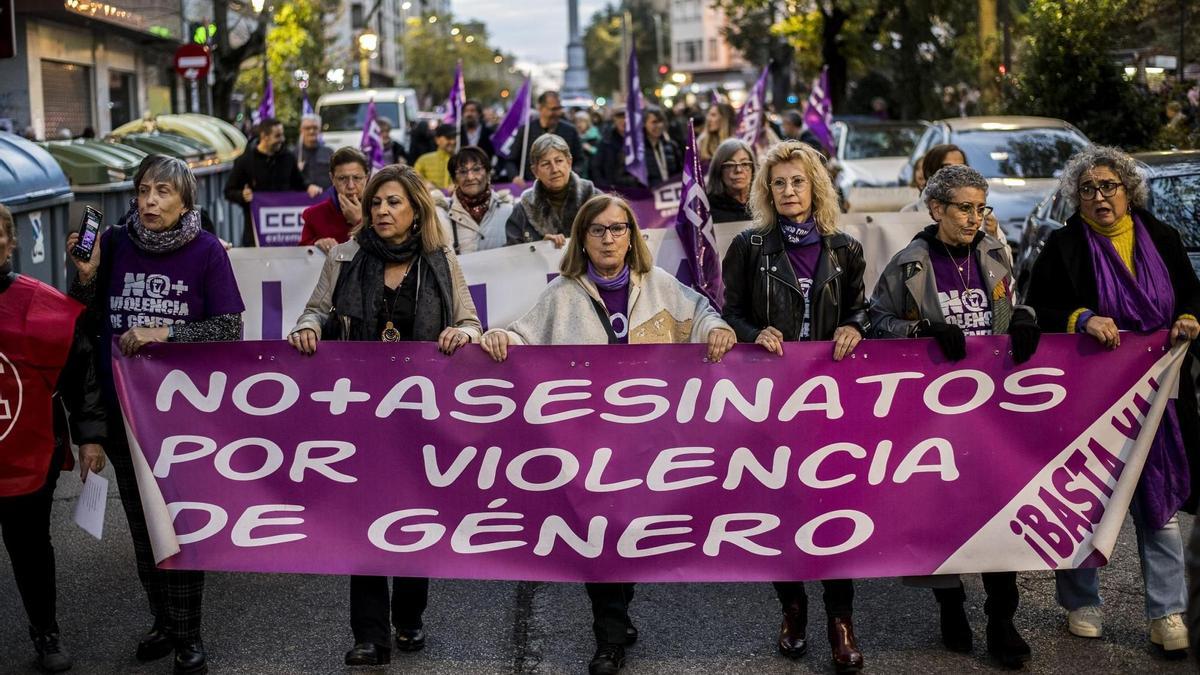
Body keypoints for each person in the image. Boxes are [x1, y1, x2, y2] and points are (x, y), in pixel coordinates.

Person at [479, 193, 736, 675]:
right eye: (597, 230)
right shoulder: (563, 293)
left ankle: (619, 609)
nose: (608, 238)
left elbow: (702, 315)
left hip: (646, 441)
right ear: (582, 238)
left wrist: (716, 328)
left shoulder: (659, 285)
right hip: (587, 444)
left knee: (629, 535)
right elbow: (525, 336)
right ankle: (609, 638)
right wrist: (499, 338)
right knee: (598, 537)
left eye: (618, 228)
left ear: (631, 236)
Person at [287, 164, 480, 667]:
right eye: (376, 203)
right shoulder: (347, 256)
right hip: (360, 417)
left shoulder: (441, 260)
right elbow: (317, 310)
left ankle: (408, 617)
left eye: (393, 202)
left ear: (416, 209)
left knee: (414, 517)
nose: (382, 211)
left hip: (423, 416)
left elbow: (469, 321)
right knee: (363, 521)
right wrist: (308, 328)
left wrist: (461, 335)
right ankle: (370, 634)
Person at [68, 154, 245, 675]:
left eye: (163, 192)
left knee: (180, 526)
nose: (149, 201)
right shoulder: (116, 243)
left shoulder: (208, 252)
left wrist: (165, 333)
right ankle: (163, 623)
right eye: (144, 190)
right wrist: (84, 276)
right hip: (124, 413)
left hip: (184, 419)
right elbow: (85, 323)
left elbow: (228, 329)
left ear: (186, 201)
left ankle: (190, 637)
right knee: (143, 531)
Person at [1025, 145, 1200, 657]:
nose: (1100, 197)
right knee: (1083, 501)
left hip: (1159, 398)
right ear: (1075, 199)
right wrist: (1081, 317)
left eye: (1109, 187)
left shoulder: (1161, 238)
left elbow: (1192, 293)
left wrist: (1189, 317)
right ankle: (1083, 603)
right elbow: (1039, 307)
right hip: (1089, 402)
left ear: (1128, 192)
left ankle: (1166, 612)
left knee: (1159, 504)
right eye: (1087, 190)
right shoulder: (1063, 246)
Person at [869, 163, 1040, 669]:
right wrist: (918, 330)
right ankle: (951, 607)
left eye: (980, 207)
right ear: (936, 209)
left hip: (992, 415)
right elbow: (875, 321)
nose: (974, 218)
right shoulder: (909, 264)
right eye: (964, 208)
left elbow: (1012, 307)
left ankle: (1002, 618)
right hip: (934, 417)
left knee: (997, 511)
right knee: (943, 513)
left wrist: (1024, 321)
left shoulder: (994, 253)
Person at [719, 140, 868, 673]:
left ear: (815, 187)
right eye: (778, 183)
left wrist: (854, 325)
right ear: (766, 190)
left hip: (828, 402)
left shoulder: (844, 248)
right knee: (779, 509)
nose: (787, 191)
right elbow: (728, 312)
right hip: (769, 401)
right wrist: (754, 333)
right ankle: (793, 609)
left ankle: (841, 622)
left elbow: (859, 309)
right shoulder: (749, 247)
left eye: (797, 182)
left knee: (832, 511)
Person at [0, 204, 106, 673]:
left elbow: (82, 374)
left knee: (29, 548)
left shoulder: (40, 303)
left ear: (11, 241)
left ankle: (45, 632)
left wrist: (90, 438)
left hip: (28, 454)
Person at [224, 117, 322, 246]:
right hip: (254, 233)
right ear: (264, 136)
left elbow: (299, 183)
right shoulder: (245, 161)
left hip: (284, 233)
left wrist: (309, 187)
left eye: (282, 135)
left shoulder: (288, 158)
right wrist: (242, 195)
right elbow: (228, 191)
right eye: (278, 136)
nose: (282, 139)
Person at [506, 134, 601, 248]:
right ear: (535, 171)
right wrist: (540, 248)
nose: (555, 169)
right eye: (546, 164)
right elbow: (513, 256)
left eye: (559, 161)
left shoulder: (595, 199)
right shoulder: (522, 210)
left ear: (569, 163)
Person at [434, 146, 514, 254]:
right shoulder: (441, 214)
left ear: (488, 173)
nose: (470, 177)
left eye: (476, 169)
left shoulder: (508, 211)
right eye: (462, 172)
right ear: (454, 179)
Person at [300, 147, 371, 253]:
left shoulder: (380, 211)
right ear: (332, 178)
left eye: (357, 178)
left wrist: (360, 222)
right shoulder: (314, 215)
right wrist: (315, 245)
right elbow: (300, 256)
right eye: (342, 178)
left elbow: (388, 249)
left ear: (367, 177)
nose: (351, 186)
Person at [503, 91, 585, 179]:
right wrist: (515, 177)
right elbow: (511, 161)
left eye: (559, 108)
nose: (558, 113)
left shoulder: (570, 131)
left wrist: (570, 175)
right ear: (540, 108)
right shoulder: (526, 131)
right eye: (553, 109)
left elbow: (580, 161)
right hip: (531, 185)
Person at [705, 138, 755, 223]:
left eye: (745, 163)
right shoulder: (706, 208)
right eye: (730, 165)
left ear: (752, 169)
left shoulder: (765, 203)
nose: (738, 170)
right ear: (718, 170)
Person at [643, 106, 682, 187]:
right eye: (654, 122)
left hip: (671, 195)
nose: (659, 125)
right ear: (644, 124)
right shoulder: (638, 150)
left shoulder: (672, 146)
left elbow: (681, 173)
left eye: (661, 121)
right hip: (648, 197)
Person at [295, 113, 333, 190]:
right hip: (301, 200)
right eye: (307, 128)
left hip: (325, 199)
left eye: (315, 128)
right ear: (301, 130)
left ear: (319, 130)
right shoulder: (292, 155)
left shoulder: (329, 153)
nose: (311, 131)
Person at [413, 124, 457, 190]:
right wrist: (425, 183)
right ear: (437, 140)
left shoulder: (461, 160)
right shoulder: (424, 160)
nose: (453, 141)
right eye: (448, 138)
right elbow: (413, 179)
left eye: (454, 137)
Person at [575, 110, 602, 179]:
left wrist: (590, 149)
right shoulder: (573, 135)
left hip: (592, 170)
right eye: (577, 122)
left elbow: (601, 152)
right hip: (578, 171)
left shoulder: (595, 135)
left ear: (587, 122)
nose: (579, 124)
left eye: (582, 121)